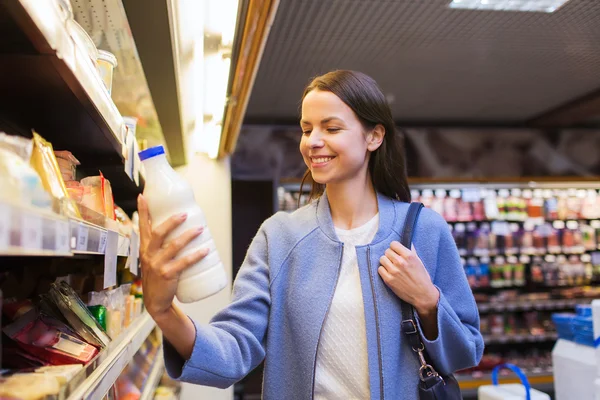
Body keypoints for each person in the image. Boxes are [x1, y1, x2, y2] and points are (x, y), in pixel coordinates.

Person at [138, 70, 484, 399]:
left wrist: (427, 300)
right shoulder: (279, 238)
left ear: (374, 136)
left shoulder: (424, 230)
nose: (313, 142)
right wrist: (164, 311)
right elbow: (234, 351)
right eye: (307, 129)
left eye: (331, 128)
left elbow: (466, 351)